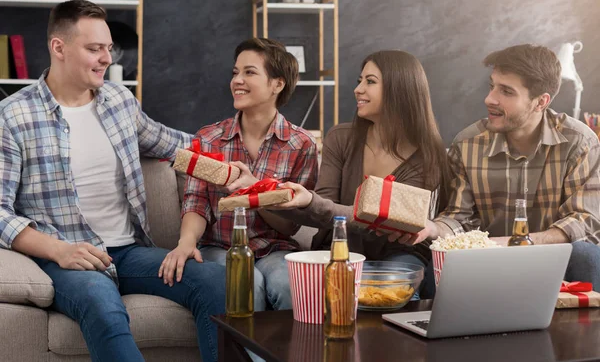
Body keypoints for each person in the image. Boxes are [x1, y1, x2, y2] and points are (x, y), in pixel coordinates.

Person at [0, 0, 226, 362]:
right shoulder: (13, 116)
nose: (107, 58)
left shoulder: (119, 101)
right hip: (65, 258)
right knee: (99, 298)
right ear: (58, 47)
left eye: (108, 48)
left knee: (215, 280)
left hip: (127, 251)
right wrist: (59, 251)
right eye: (94, 49)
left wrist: (232, 159)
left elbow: (173, 145)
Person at [396, 44, 600, 290]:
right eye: (492, 86)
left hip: (554, 265)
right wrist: (432, 227)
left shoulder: (579, 141)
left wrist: (515, 243)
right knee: (435, 266)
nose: (490, 99)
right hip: (487, 267)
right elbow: (460, 218)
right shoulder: (467, 143)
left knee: (586, 255)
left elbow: (585, 221)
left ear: (540, 102)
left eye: (506, 91)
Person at [159, 37, 318, 311]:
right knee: (245, 282)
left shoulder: (302, 144)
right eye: (235, 72)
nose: (237, 80)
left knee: (290, 286)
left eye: (249, 72)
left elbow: (290, 225)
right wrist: (186, 243)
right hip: (219, 248)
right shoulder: (209, 138)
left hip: (274, 248)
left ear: (277, 84)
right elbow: (196, 202)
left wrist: (253, 191)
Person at [274, 50, 451, 288]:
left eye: (370, 82)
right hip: (340, 248)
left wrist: (311, 202)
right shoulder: (341, 137)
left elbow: (385, 224)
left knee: (384, 287)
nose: (358, 89)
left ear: (400, 89)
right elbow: (323, 212)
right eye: (360, 81)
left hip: (397, 255)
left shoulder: (428, 155)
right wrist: (264, 192)